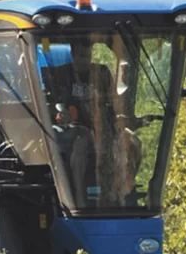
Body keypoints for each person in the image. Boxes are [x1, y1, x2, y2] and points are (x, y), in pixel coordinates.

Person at [49, 36, 142, 207]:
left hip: (103, 127)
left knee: (133, 140)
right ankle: (78, 198)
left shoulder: (102, 73)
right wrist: (61, 114)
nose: (86, 60)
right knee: (82, 141)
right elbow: (52, 104)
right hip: (76, 129)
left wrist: (121, 118)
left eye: (88, 55)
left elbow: (113, 104)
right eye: (82, 56)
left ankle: (125, 190)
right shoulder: (60, 74)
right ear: (73, 54)